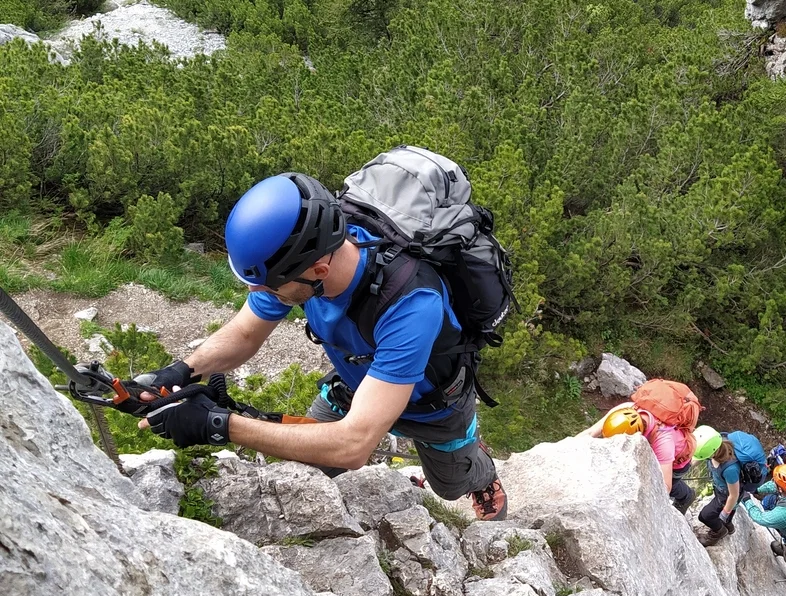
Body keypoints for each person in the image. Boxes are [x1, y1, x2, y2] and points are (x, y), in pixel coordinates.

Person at [135, 172, 507, 520]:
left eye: (267, 285)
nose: (256, 292)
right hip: (357, 386)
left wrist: (219, 425)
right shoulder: (300, 262)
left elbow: (353, 447)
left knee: (450, 487)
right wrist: (179, 372)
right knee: (304, 467)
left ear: (318, 272)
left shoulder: (411, 302)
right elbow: (245, 334)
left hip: (431, 407)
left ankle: (481, 466)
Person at [578, 403, 697, 513]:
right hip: (661, 447)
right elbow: (590, 432)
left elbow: (665, 486)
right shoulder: (627, 408)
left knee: (673, 485)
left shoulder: (663, 442)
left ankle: (687, 496)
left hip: (677, 461)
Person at [740, 464, 786, 594]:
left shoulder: (783, 513)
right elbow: (775, 486)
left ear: (782, 488)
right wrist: (757, 490)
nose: (773, 483)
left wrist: (747, 500)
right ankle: (784, 549)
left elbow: (760, 518)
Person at [691, 427, 743, 546]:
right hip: (721, 490)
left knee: (705, 516)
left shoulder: (730, 469)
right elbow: (699, 458)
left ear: (711, 453)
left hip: (727, 496)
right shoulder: (716, 446)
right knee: (727, 516)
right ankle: (728, 526)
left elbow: (734, 495)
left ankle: (720, 531)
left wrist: (723, 515)